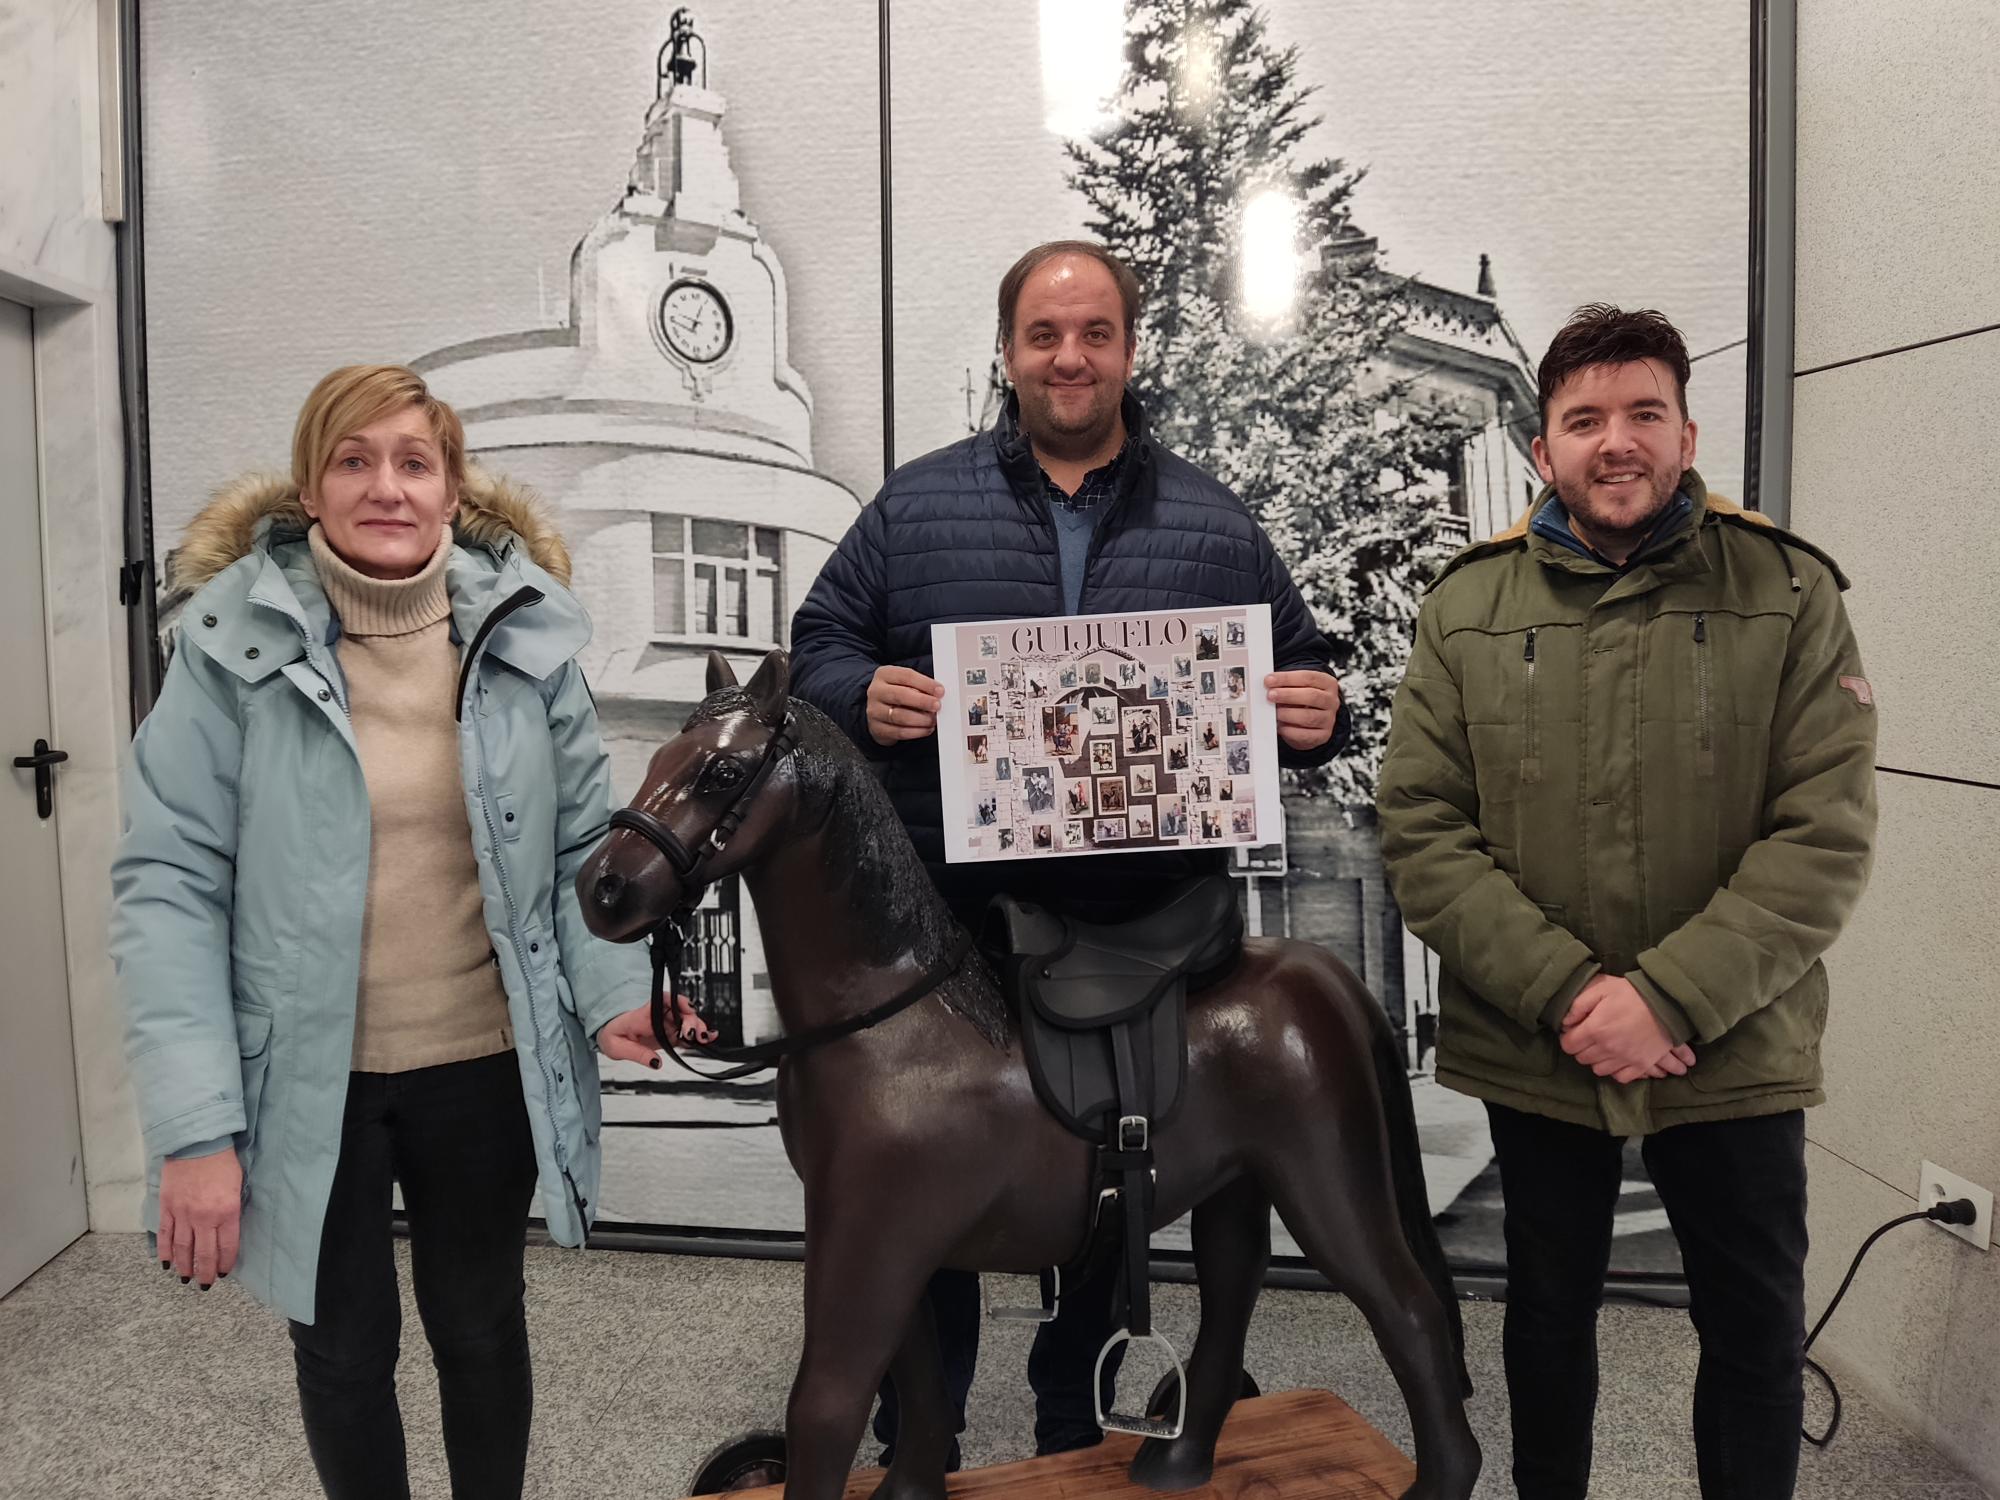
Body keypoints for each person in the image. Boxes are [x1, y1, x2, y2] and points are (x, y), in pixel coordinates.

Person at [789, 241, 1349, 1462]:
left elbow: (1298, 669)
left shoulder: (1211, 517)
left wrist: (1320, 710)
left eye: (1093, 332)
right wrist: (857, 689)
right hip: (945, 922)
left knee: (1112, 1175)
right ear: (1006, 353)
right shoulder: (915, 503)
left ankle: (1074, 1425)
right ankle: (917, 1440)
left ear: (1128, 351)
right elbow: (817, 640)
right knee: (915, 1195)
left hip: (1132, 927)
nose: (1069, 356)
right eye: (1043, 335)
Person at [109, 365, 682, 1499]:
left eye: (413, 462)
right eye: (353, 460)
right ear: (310, 490)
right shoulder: (227, 656)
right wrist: (193, 1130)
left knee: (479, 1332)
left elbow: (581, 849)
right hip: (304, 1079)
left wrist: (615, 992)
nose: (386, 487)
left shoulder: (527, 645)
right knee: (341, 1349)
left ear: (452, 490)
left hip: (479, 1063)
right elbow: (167, 885)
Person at [1377, 306, 1877, 1499]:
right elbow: (1422, 829)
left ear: (1685, 430)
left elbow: (1823, 835)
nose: (1616, 442)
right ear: (1543, 447)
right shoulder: (1466, 607)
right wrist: (1566, 993)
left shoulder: (1789, 591)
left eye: (1641, 413)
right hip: (1535, 1049)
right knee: (1545, 1325)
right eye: (1583, 419)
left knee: (1752, 1333)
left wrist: (1666, 998)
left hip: (1734, 1043)